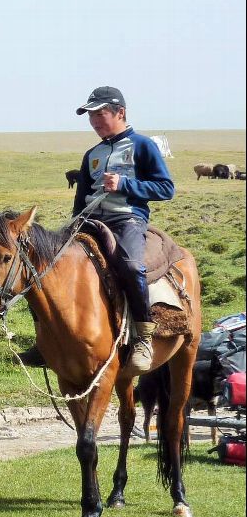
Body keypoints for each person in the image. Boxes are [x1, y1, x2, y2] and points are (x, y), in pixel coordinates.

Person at [71, 86, 174, 373]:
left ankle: (143, 338)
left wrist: (125, 184)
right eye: (90, 116)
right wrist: (74, 223)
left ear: (121, 112)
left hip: (127, 219)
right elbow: (80, 198)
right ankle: (47, 338)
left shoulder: (142, 146)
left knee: (130, 266)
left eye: (99, 114)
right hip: (91, 220)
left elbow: (166, 188)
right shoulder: (92, 153)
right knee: (48, 262)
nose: (94, 122)